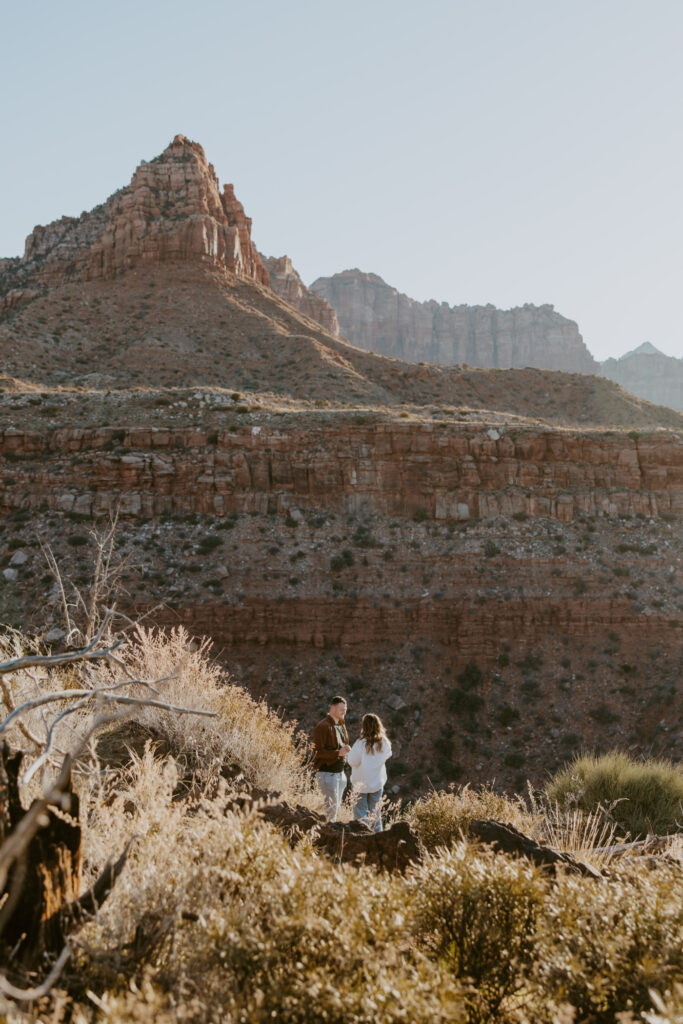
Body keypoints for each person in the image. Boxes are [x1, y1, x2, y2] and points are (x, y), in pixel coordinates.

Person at [347, 713, 392, 832]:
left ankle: (363, 836)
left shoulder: (361, 743)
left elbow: (352, 761)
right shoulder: (385, 743)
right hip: (377, 783)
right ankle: (377, 838)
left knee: (360, 814)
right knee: (375, 814)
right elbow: (388, 755)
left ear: (364, 726)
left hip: (360, 784)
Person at [312, 696, 349, 821]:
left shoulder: (340, 725)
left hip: (339, 774)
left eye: (345, 709)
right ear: (332, 708)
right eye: (341, 709)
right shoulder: (323, 726)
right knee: (330, 811)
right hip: (327, 774)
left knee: (335, 810)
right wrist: (339, 753)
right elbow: (318, 752)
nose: (344, 712)